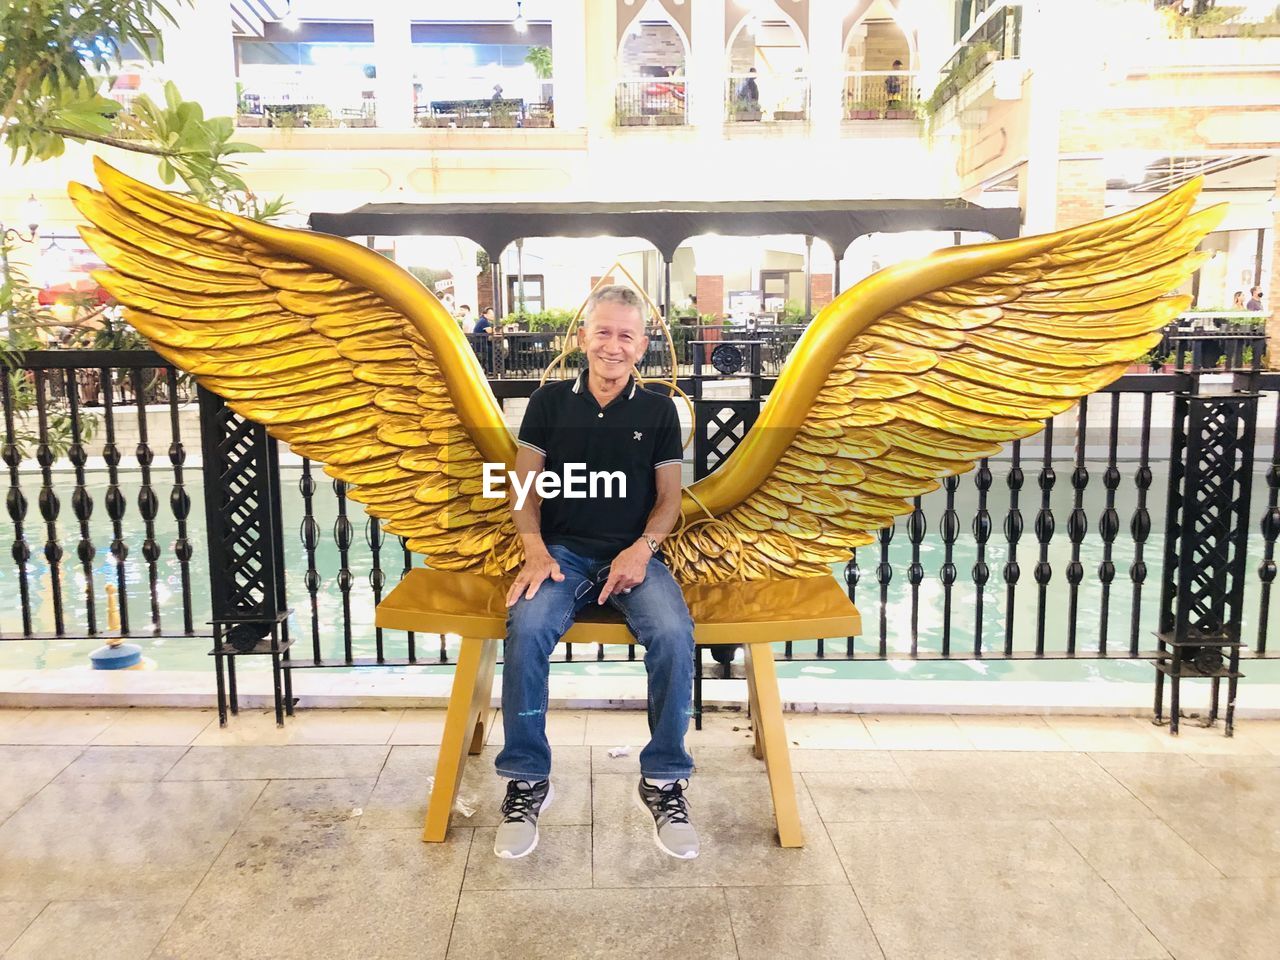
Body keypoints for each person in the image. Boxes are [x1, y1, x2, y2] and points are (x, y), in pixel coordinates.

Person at [493, 285, 697, 861]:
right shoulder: (548, 404)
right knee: (527, 628)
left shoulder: (658, 410)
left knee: (675, 634)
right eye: (603, 331)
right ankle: (527, 779)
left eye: (626, 335)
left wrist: (643, 549)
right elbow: (524, 489)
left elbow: (668, 501)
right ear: (583, 337)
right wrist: (535, 551)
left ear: (643, 345)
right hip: (560, 553)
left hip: (633, 552)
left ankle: (663, 780)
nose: (613, 345)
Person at [473, 306, 496, 371]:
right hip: (480, 345)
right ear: (485, 314)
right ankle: (491, 369)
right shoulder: (484, 322)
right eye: (491, 314)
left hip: (479, 344)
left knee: (493, 348)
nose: (493, 316)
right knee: (493, 350)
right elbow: (491, 333)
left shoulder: (482, 320)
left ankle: (490, 369)